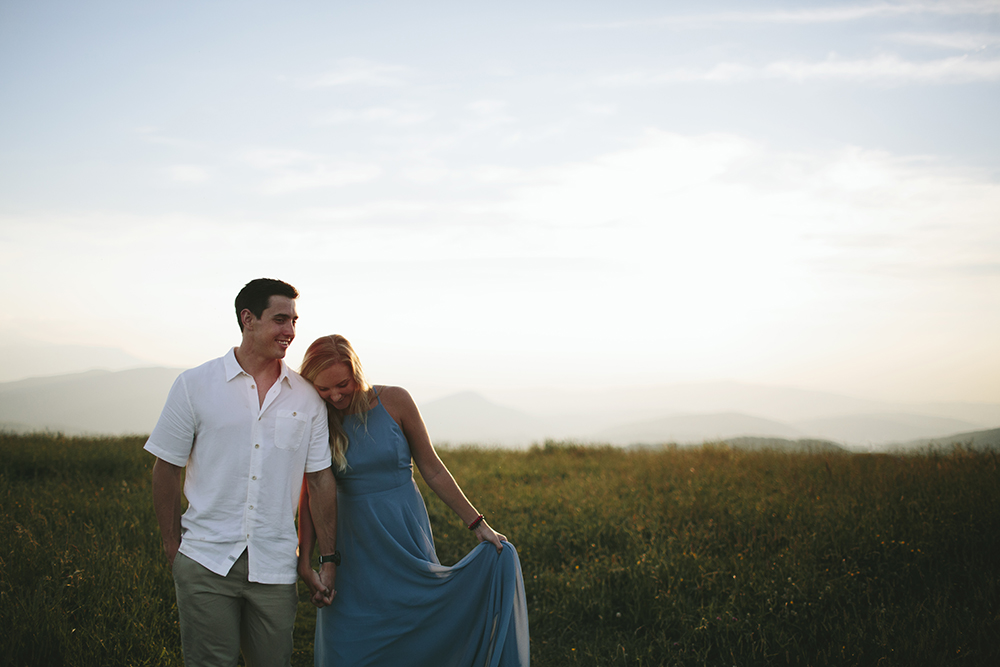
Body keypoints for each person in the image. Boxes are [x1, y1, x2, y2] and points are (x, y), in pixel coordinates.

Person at [297, 334, 530, 667]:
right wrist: (308, 560)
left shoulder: (395, 400)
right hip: (351, 545)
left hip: (403, 532)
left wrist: (477, 523)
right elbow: (312, 492)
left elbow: (432, 469)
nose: (335, 395)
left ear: (356, 373)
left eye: (342, 384)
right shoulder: (316, 416)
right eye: (323, 388)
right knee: (347, 644)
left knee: (418, 627)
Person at [145, 278, 339, 667]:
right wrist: (172, 545)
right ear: (247, 319)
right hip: (204, 559)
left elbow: (319, 481)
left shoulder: (307, 397)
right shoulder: (194, 385)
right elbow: (165, 467)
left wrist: (328, 559)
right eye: (280, 319)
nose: (291, 331)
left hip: (276, 564)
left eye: (294, 321)